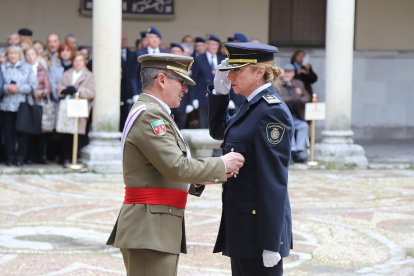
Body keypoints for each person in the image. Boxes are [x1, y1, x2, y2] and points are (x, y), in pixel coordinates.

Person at [106, 53, 245, 276]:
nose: (185, 89)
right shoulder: (151, 116)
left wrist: (197, 179)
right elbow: (176, 167)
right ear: (161, 80)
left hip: (155, 225)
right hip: (149, 228)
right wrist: (221, 164)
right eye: (181, 82)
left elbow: (159, 168)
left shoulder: (156, 112)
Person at [207, 43, 293, 276]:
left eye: (237, 70)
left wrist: (271, 242)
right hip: (242, 227)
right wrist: (219, 94)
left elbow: (273, 180)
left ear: (259, 72)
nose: (230, 76)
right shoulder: (252, 104)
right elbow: (220, 132)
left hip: (258, 232)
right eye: (230, 70)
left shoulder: (270, 111)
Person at [0, 46, 38, 166]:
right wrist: (7, 88)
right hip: (6, 106)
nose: (13, 55)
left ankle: (20, 158)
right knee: (8, 133)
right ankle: (10, 157)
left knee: (23, 133)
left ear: (20, 55)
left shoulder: (27, 67)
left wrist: (19, 88)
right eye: (10, 53)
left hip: (23, 106)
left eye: (15, 53)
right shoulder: (2, 67)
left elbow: (33, 85)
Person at [56, 51, 95, 167]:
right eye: (76, 61)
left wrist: (79, 91)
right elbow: (58, 88)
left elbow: (92, 92)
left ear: (85, 62)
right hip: (67, 107)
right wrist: (65, 90)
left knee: (78, 133)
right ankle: (66, 157)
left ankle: (76, 157)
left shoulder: (89, 75)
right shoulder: (67, 73)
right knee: (66, 133)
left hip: (80, 107)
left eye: (80, 61)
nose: (78, 63)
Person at [278, 63, 310, 163]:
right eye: (285, 72)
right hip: (282, 117)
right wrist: (292, 99)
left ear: (294, 74)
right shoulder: (277, 83)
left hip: (296, 115)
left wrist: (300, 101)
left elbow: (307, 96)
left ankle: (298, 151)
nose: (287, 74)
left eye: (290, 72)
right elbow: (277, 98)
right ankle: (291, 151)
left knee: (303, 126)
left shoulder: (299, 83)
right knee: (289, 126)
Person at [24, 47, 52, 164]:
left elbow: (48, 87)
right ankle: (29, 156)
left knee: (41, 132)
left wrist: (41, 93)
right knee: (28, 130)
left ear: (37, 55)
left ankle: (41, 156)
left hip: (40, 102)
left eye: (32, 54)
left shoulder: (42, 69)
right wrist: (32, 92)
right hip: (27, 102)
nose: (30, 57)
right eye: (28, 55)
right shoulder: (23, 68)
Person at [191, 34, 225, 128]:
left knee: (217, 123)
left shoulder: (222, 59)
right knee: (204, 123)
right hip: (203, 95)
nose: (214, 47)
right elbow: (194, 79)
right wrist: (194, 98)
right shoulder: (199, 59)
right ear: (206, 45)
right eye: (212, 44)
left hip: (219, 96)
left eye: (216, 45)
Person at [131, 27, 169, 97]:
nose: (154, 40)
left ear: (160, 40)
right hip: (143, 92)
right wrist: (135, 93)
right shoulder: (139, 53)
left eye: (157, 37)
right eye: (152, 37)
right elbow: (134, 76)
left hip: (161, 92)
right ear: (147, 39)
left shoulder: (166, 53)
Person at [119, 34, 137, 131]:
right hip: (117, 91)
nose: (122, 41)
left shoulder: (132, 54)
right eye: (120, 39)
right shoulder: (112, 54)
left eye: (124, 39)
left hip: (129, 91)